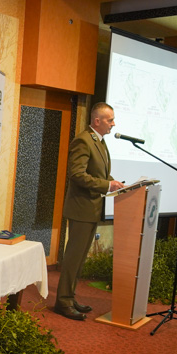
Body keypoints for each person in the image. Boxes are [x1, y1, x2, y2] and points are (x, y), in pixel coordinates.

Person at [54, 103, 124, 321]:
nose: (113, 124)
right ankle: (62, 302)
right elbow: (76, 174)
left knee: (80, 257)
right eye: (110, 120)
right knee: (73, 258)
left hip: (91, 208)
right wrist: (106, 185)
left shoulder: (99, 142)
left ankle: (70, 297)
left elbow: (99, 171)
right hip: (81, 208)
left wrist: (111, 181)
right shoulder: (84, 140)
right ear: (97, 121)